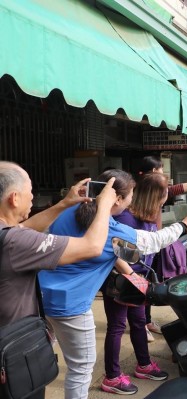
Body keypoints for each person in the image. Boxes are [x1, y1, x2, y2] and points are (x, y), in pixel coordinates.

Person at [38, 169, 187, 399]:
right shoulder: (110, 228)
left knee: (42, 360)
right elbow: (152, 242)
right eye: (130, 194)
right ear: (117, 199)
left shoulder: (68, 212)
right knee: (81, 369)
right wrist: (183, 226)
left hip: (40, 298)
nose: (132, 199)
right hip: (70, 306)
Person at [0, 162, 117, 399]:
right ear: (14, 198)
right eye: (30, 191)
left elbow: (23, 228)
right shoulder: (15, 242)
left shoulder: (9, 235)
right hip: (12, 354)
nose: (32, 197)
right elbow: (92, 246)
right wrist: (104, 206)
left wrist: (65, 204)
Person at [101, 172, 172, 395]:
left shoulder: (149, 215)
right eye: (165, 192)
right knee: (117, 327)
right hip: (121, 281)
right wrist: (132, 276)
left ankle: (143, 364)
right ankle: (112, 377)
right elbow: (114, 252)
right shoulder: (125, 218)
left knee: (139, 322)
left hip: (139, 281)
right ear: (156, 195)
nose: (168, 195)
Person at [137, 155, 187, 338]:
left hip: (155, 243)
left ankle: (144, 321)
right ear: (154, 172)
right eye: (161, 170)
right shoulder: (143, 193)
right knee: (142, 283)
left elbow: (174, 190)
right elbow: (174, 190)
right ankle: (140, 325)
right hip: (143, 245)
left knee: (150, 283)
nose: (165, 196)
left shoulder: (154, 191)